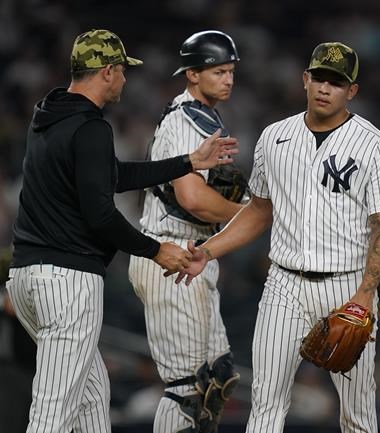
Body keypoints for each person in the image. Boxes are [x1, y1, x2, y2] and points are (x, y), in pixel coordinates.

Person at [5, 29, 237, 433]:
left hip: (26, 278)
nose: (126, 80)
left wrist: (187, 161)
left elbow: (111, 175)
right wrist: (154, 250)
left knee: (93, 401)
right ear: (108, 72)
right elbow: (101, 216)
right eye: (123, 71)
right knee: (51, 416)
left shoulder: (50, 117)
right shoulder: (92, 127)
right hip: (66, 283)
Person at [173, 42, 380, 433]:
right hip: (284, 284)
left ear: (352, 91)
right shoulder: (274, 137)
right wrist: (208, 252)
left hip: (346, 285)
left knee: (357, 414)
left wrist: (365, 295)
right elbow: (259, 211)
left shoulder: (374, 144)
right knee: (266, 403)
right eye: (319, 77)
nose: (325, 87)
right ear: (305, 79)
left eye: (337, 82)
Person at [128, 30, 244, 433]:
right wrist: (244, 213)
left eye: (230, 71)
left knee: (218, 377)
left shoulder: (203, 116)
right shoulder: (184, 120)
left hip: (190, 253)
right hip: (171, 254)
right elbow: (193, 198)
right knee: (186, 390)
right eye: (217, 71)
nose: (227, 79)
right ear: (192, 74)